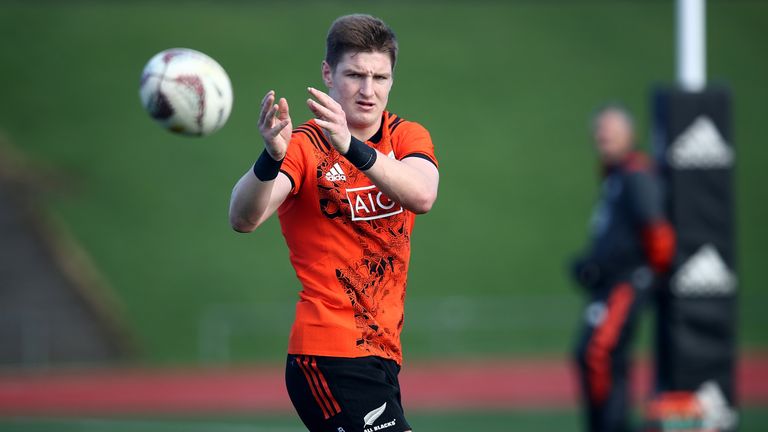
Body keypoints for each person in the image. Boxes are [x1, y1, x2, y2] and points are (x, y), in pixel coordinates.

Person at [229, 14, 439, 432]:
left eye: (380, 77)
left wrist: (352, 147)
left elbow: (422, 195)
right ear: (327, 72)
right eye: (355, 75)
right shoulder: (304, 145)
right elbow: (244, 218)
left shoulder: (406, 137)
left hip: (381, 352)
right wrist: (270, 156)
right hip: (327, 354)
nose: (368, 90)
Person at [571, 105, 675, 432]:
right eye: (599, 131)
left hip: (627, 283)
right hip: (610, 283)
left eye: (611, 131)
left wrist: (644, 275)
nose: (603, 137)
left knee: (599, 352)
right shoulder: (614, 176)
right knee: (590, 354)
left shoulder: (635, 176)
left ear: (630, 135)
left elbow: (658, 235)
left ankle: (610, 425)